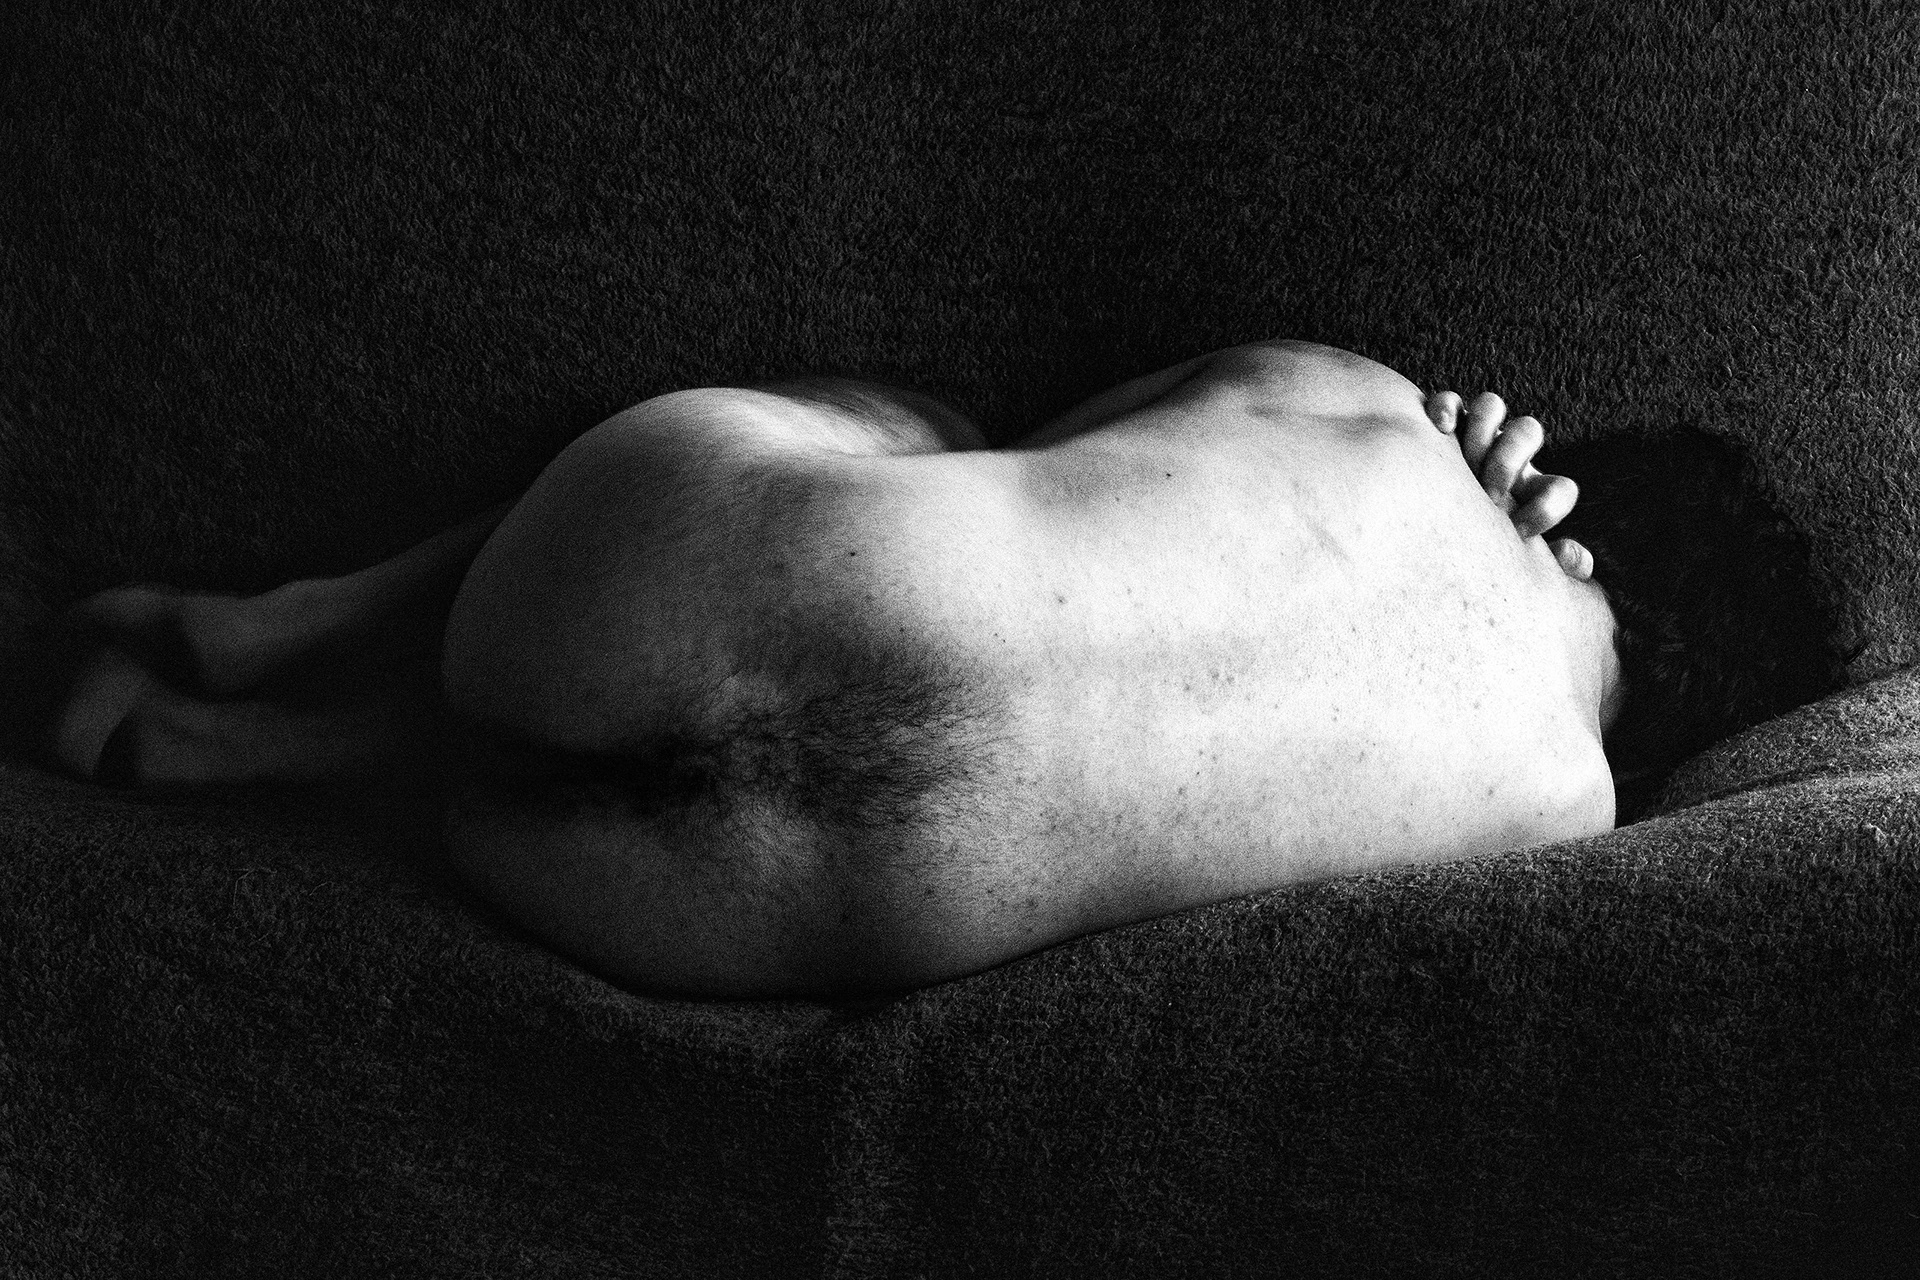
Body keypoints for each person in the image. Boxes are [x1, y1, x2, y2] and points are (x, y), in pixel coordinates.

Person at [36, 339, 1845, 997]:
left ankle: (283, 628)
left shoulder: (1365, 404)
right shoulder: (1558, 826)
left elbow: (1065, 446)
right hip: (663, 917)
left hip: (608, 573)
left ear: (1583, 489)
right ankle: (242, 754)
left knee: (933, 430)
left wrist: (1428, 444)